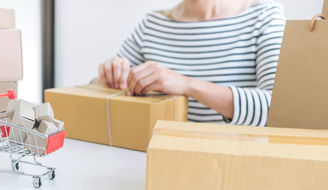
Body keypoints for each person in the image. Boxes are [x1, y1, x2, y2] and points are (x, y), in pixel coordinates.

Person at [91, 0, 286, 126]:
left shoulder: (265, 17)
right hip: (157, 163)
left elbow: (276, 110)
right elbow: (99, 88)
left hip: (235, 169)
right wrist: (108, 75)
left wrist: (187, 85)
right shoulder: (152, 24)